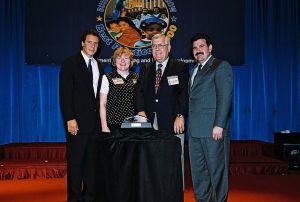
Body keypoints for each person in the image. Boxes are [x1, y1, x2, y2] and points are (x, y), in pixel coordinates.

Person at [134, 33, 189, 188]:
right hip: (149, 121)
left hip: (173, 121)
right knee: (151, 159)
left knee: (174, 158)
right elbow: (138, 91)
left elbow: (184, 93)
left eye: (161, 45)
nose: (157, 49)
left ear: (169, 47)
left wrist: (180, 115)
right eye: (154, 46)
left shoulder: (180, 66)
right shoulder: (145, 68)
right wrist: (140, 111)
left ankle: (175, 192)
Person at [59, 28, 104, 202]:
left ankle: (89, 198)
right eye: (90, 42)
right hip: (76, 124)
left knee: (91, 166)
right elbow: (65, 94)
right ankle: (74, 198)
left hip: (94, 125)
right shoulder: (70, 63)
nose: (92, 46)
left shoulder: (99, 65)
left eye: (96, 43)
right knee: (76, 165)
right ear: (82, 43)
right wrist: (70, 118)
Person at [188, 33, 233, 202]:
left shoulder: (221, 66)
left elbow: (225, 96)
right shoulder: (194, 70)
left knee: (217, 173)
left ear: (210, 48)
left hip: (213, 130)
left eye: (201, 46)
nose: (198, 50)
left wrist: (219, 125)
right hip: (194, 132)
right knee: (199, 174)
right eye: (195, 48)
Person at [100, 47, 138, 132]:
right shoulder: (107, 78)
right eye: (119, 58)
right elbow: (102, 104)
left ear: (131, 61)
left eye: (126, 58)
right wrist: (104, 126)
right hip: (113, 125)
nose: (122, 61)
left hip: (133, 125)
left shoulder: (137, 77)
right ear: (114, 61)